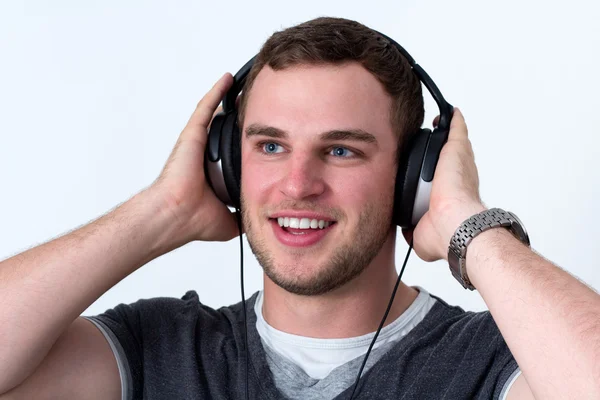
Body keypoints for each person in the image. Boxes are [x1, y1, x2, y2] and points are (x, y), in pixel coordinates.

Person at [0, 16, 598, 400]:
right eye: (269, 145)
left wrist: (467, 225)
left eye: (340, 150)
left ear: (414, 175)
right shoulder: (160, 351)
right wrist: (164, 210)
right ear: (226, 166)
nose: (297, 183)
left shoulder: (493, 363)